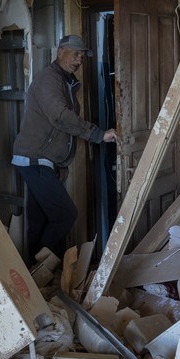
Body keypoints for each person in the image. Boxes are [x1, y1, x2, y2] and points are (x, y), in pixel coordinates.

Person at [12, 34, 117, 260]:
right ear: (60, 52)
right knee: (65, 215)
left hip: (42, 160)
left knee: (41, 222)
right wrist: (98, 134)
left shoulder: (64, 81)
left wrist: (59, 163)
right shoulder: (50, 79)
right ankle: (40, 268)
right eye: (75, 53)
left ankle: (38, 278)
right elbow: (60, 117)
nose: (79, 59)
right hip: (34, 159)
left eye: (82, 55)